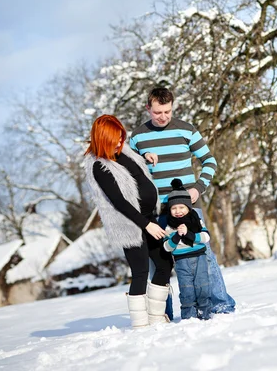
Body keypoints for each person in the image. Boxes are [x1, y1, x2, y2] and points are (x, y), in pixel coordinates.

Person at [130, 86, 235, 315]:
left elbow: (209, 161)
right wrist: (141, 160)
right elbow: (128, 170)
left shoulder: (187, 130)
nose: (163, 117)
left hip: (189, 208)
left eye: (167, 111)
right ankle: (162, 314)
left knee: (204, 256)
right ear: (148, 108)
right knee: (159, 264)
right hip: (156, 212)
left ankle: (220, 304)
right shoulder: (137, 136)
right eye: (158, 112)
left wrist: (198, 187)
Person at [84, 114, 173, 329]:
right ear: (102, 139)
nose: (118, 142)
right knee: (141, 271)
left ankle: (156, 316)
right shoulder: (99, 166)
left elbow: (135, 170)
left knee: (164, 263)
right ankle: (141, 325)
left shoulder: (123, 152)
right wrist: (147, 225)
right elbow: (119, 202)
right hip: (131, 225)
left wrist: (145, 155)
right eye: (114, 139)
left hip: (148, 218)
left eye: (121, 137)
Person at [163, 179, 211, 320]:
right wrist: (177, 235)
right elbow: (167, 247)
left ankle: (205, 313)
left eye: (181, 207)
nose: (178, 211)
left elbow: (206, 237)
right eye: (174, 208)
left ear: (188, 207)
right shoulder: (170, 226)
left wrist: (189, 234)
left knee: (203, 287)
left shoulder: (196, 221)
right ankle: (189, 317)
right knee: (187, 291)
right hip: (181, 262)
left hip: (199, 258)